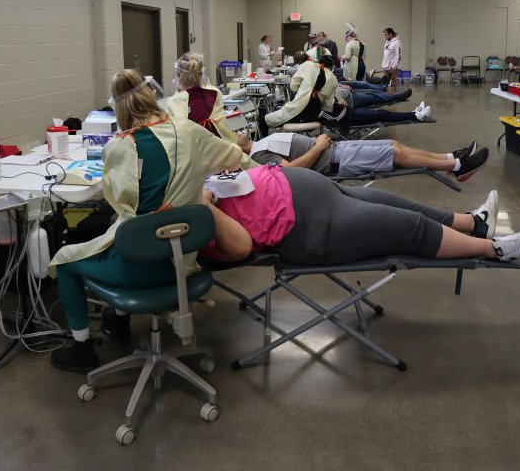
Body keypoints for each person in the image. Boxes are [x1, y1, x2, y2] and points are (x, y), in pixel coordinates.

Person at [48, 69, 253, 373]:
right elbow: (233, 158)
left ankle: (82, 348)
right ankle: (117, 322)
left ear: (118, 109)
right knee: (131, 233)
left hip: (138, 266)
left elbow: (120, 202)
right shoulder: (190, 131)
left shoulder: (118, 148)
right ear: (153, 96)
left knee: (66, 259)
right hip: (181, 263)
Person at [200, 165, 520, 266]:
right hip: (305, 228)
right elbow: (241, 247)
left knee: (398, 203)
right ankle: (495, 249)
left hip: (305, 189)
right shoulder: (188, 216)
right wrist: (204, 204)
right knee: (407, 227)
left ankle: (474, 223)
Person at [238, 131, 489, 182]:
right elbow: (290, 171)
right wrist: (318, 147)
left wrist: (320, 141)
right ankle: (456, 166)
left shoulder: (261, 141)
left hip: (334, 149)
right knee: (394, 153)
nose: (238, 130)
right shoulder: (260, 154)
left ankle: (449, 156)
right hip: (336, 160)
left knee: (393, 143)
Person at [165, 52, 238, 143]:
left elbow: (176, 138)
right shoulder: (214, 93)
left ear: (178, 75)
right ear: (200, 74)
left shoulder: (175, 102)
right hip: (221, 148)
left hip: (194, 152)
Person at [265, 50, 338, 129]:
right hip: (313, 114)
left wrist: (303, 89)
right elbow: (327, 104)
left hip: (298, 110)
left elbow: (293, 86)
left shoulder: (308, 65)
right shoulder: (334, 79)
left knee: (264, 121)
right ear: (331, 67)